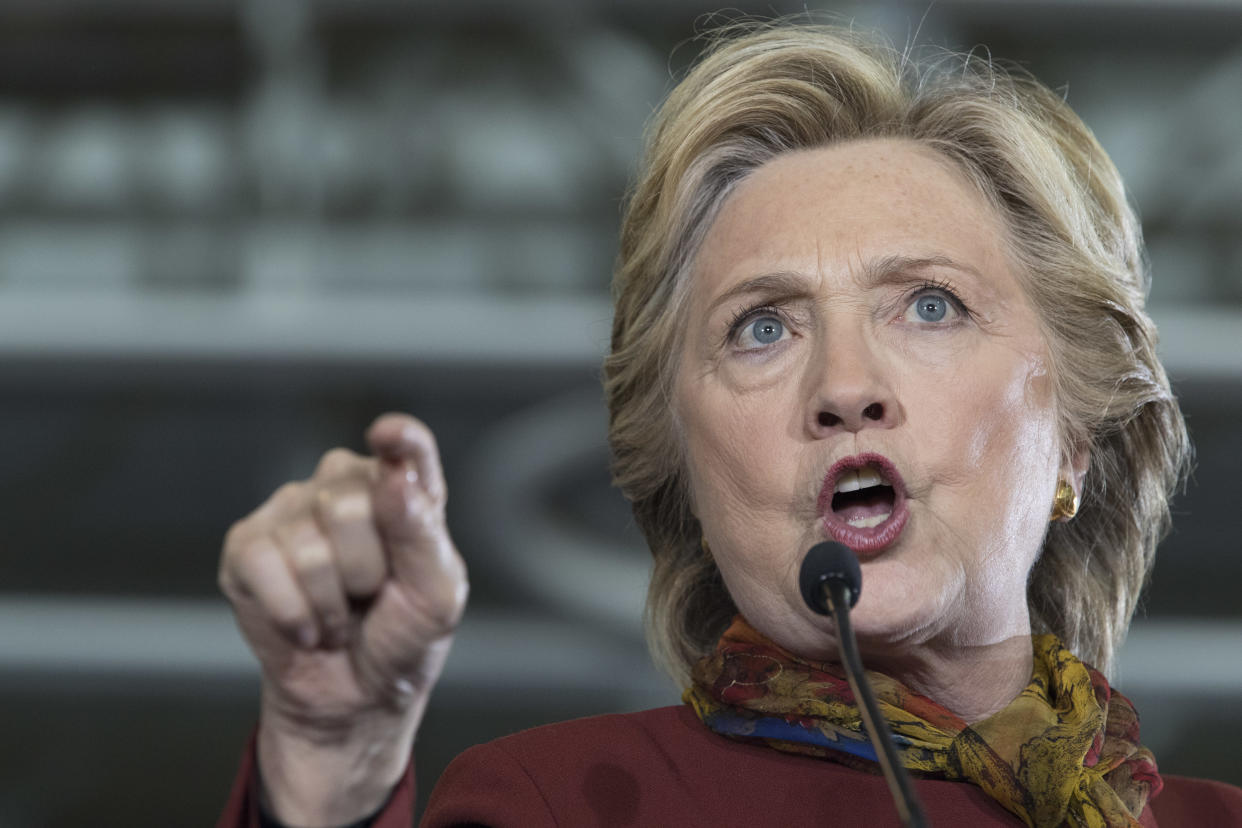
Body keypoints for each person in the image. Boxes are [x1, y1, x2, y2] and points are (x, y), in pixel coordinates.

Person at [217, 22, 1242, 828]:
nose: (846, 385)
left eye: (929, 305)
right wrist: (328, 761)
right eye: (762, 328)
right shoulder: (567, 807)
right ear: (691, 476)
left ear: (1073, 440)